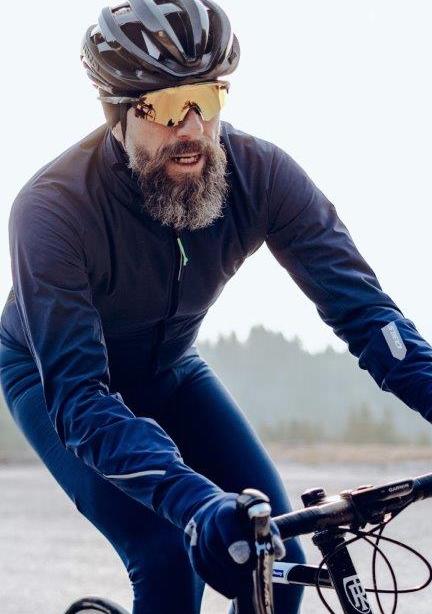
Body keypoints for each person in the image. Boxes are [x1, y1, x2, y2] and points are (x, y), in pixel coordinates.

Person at [1, 1, 432, 613]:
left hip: (171, 369)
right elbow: (80, 399)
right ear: (117, 115)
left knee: (277, 563)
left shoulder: (262, 176)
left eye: (207, 97)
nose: (193, 127)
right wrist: (196, 503)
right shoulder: (52, 210)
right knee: (168, 555)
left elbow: (369, 316)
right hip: (57, 385)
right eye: (167, 106)